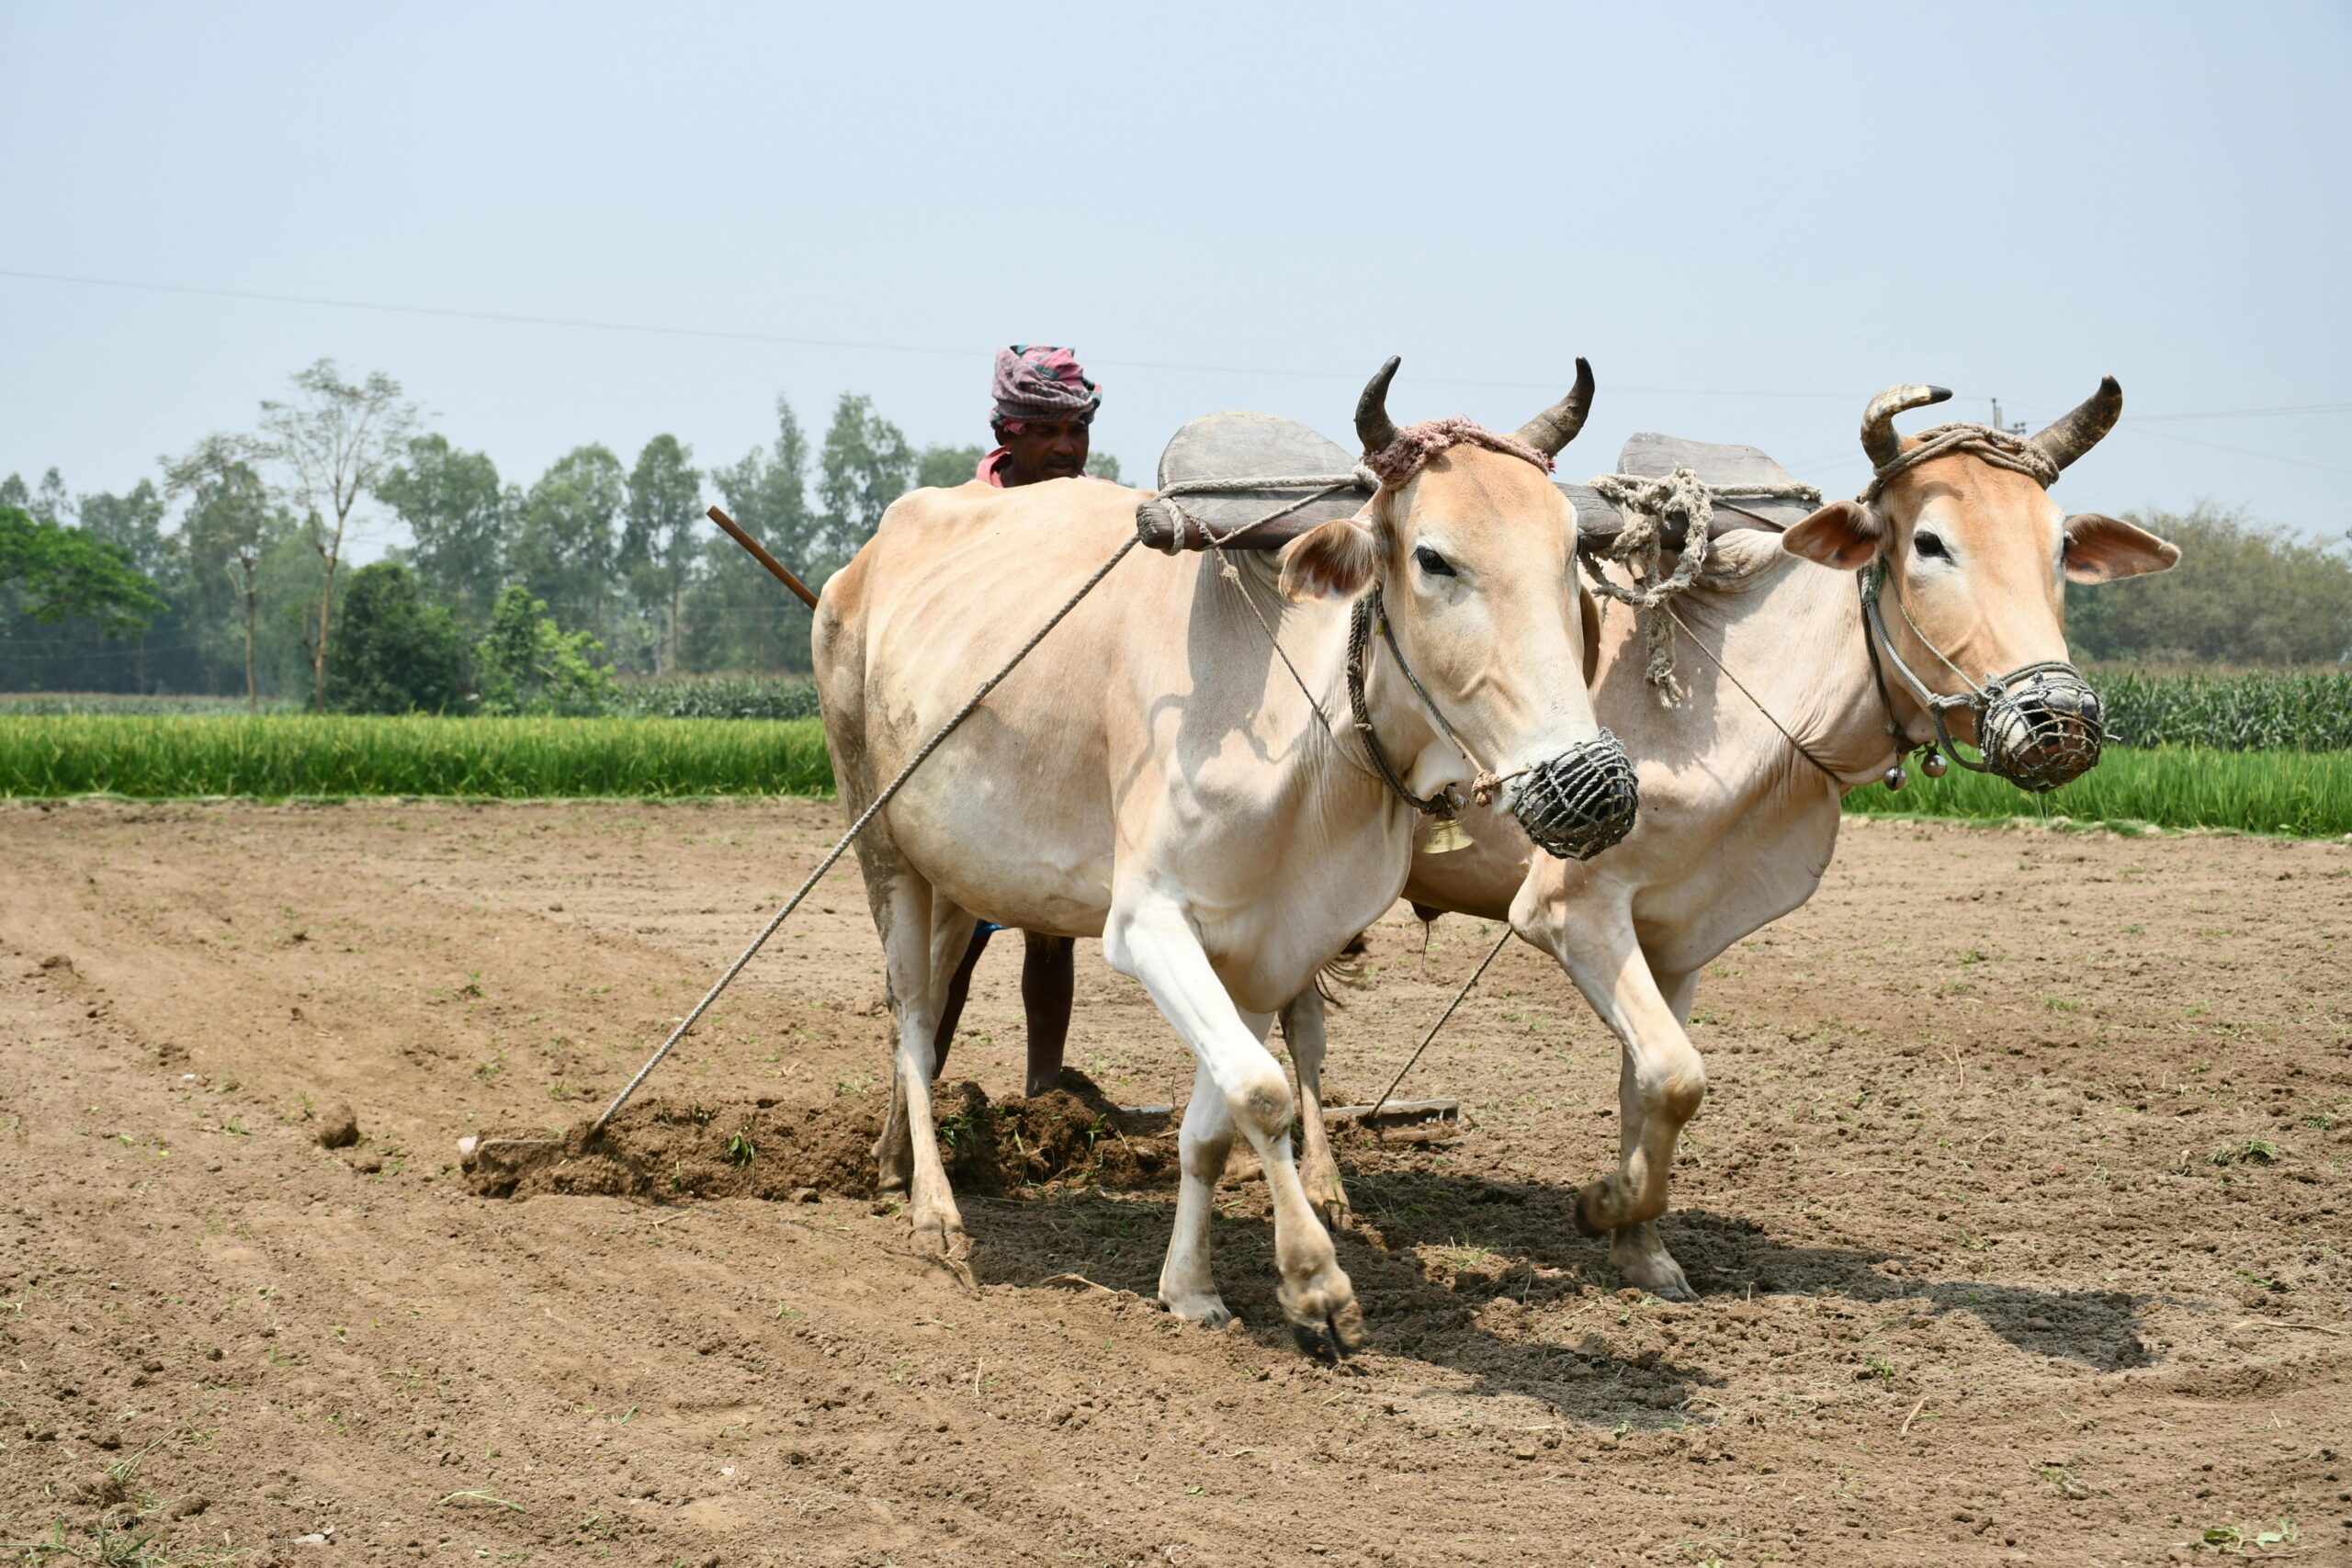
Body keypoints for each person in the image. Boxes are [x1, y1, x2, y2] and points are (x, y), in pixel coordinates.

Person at [931, 345, 1100, 1095]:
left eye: (1077, 429)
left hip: (1059, 752)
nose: (1065, 445)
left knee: (1053, 931)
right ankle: (921, 1089)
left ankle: (1045, 1092)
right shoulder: (960, 525)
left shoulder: (1099, 521)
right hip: (973, 760)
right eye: (1046, 429)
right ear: (1008, 431)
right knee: (952, 940)